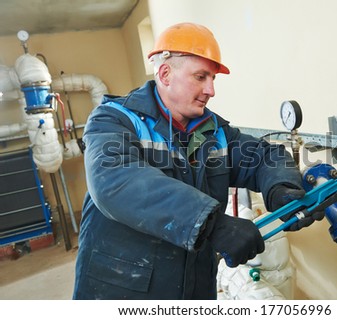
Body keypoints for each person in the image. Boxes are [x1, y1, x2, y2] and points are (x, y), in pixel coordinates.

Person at [73, 22, 310, 300]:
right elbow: (115, 180)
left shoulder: (214, 132)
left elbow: (266, 156)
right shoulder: (114, 120)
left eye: (212, 79)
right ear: (165, 74)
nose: (211, 90)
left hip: (194, 287)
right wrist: (213, 225)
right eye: (200, 77)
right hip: (123, 289)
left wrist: (281, 188)